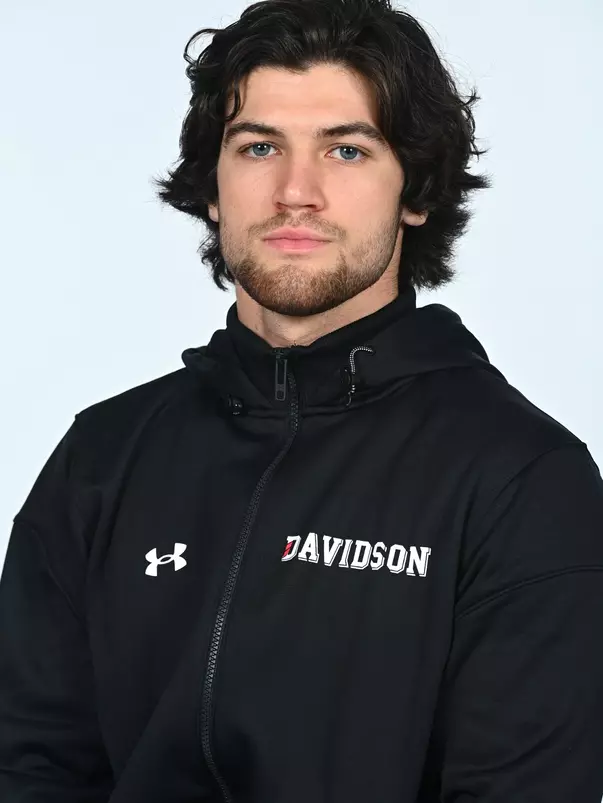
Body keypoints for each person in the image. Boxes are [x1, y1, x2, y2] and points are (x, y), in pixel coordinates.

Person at [1, 0, 603, 800]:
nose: (295, 191)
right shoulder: (104, 454)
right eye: (259, 146)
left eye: (346, 150)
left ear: (415, 192)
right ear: (213, 188)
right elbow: (28, 763)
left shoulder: (521, 478)